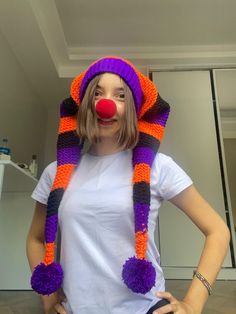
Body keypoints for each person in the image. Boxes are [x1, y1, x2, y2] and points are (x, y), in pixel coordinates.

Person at [26, 56, 230, 314]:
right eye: (97, 94)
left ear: (134, 108)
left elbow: (218, 231)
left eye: (120, 96)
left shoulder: (160, 166)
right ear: (86, 105)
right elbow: (35, 239)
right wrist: (48, 301)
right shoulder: (54, 173)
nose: (106, 105)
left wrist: (193, 303)